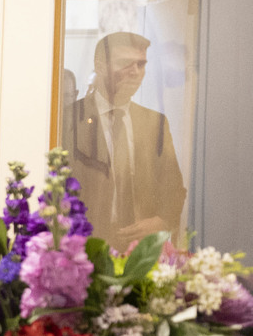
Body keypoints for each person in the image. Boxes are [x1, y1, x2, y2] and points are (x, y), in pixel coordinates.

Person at [66, 31, 186, 249]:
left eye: (141, 64)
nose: (135, 72)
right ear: (100, 66)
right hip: (84, 247)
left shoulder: (154, 122)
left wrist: (161, 221)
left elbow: (174, 187)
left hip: (141, 248)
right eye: (125, 63)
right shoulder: (69, 119)